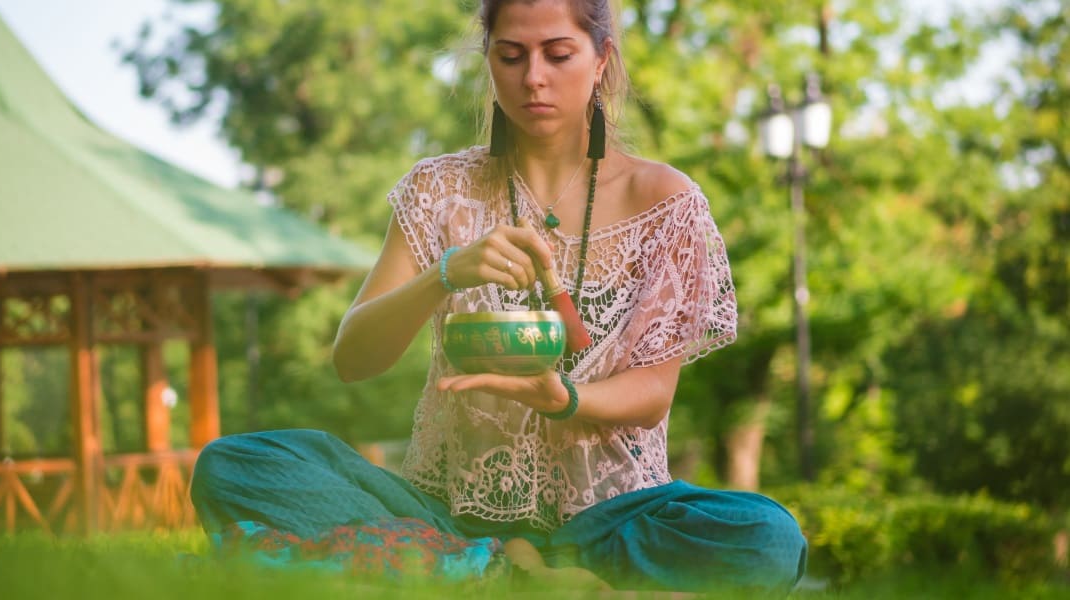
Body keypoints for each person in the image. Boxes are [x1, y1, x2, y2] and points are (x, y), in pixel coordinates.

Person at [190, 0, 806, 593]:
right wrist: (444, 274)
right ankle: (498, 573)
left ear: (600, 61)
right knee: (234, 463)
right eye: (510, 56)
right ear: (489, 61)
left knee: (769, 537)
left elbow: (652, 395)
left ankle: (467, 573)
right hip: (447, 515)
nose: (533, 77)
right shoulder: (437, 189)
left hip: (612, 522)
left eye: (557, 54)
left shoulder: (665, 201)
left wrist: (563, 397)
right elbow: (354, 358)